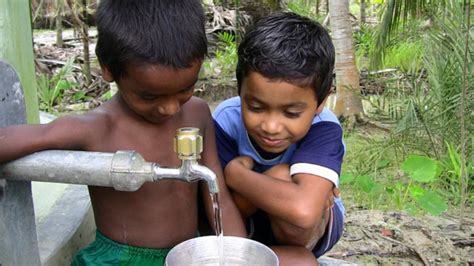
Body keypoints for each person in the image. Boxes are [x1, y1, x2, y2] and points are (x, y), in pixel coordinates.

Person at [0, 0, 246, 265]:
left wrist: (239, 254)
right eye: (149, 96)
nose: (169, 108)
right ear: (107, 67)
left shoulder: (198, 114)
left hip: (187, 254)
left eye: (186, 89)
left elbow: (217, 194)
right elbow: (16, 139)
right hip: (119, 260)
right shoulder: (97, 127)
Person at [212, 12, 345, 265]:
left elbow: (304, 212)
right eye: (256, 107)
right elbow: (221, 209)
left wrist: (236, 175)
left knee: (282, 175)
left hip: (305, 234)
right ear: (239, 90)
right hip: (245, 227)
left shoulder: (324, 127)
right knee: (282, 177)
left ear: (321, 101)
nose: (271, 127)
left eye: (291, 113)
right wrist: (285, 189)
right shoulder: (226, 119)